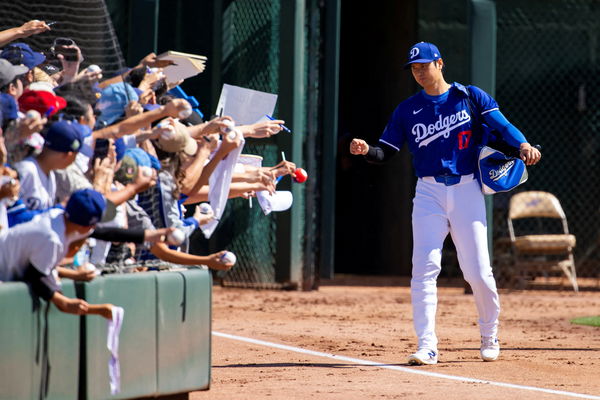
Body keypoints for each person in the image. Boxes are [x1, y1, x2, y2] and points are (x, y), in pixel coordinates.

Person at [349, 42, 541, 365]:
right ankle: (427, 345)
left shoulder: (470, 97)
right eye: (414, 68)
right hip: (428, 193)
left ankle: (489, 332)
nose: (419, 72)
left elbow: (503, 127)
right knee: (423, 270)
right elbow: (386, 152)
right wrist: (366, 149)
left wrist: (522, 144)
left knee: (478, 272)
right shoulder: (407, 110)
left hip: (467, 189)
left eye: (424, 65)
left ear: (440, 63)